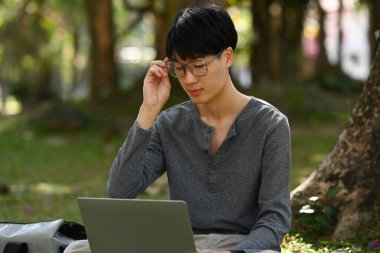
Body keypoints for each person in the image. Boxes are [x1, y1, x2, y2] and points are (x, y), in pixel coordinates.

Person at [64, 2, 291, 253]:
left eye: (198, 65)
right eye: (179, 68)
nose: (189, 79)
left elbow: (274, 219)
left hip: (240, 246)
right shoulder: (169, 123)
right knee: (77, 250)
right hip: (178, 244)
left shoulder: (270, 123)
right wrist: (148, 110)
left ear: (227, 57)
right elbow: (120, 191)